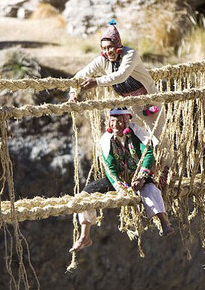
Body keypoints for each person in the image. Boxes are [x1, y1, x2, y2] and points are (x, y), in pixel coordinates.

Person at [70, 107, 174, 252]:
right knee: (86, 195)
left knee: (150, 190)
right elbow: (110, 168)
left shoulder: (137, 135)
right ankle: (84, 235)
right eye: (113, 121)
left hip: (138, 177)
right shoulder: (107, 141)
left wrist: (142, 177)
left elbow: (148, 155)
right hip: (117, 180)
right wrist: (119, 187)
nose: (116, 125)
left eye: (119, 121)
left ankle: (164, 222)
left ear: (127, 121)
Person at [68, 19, 166, 139]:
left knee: (159, 139)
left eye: (110, 47)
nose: (107, 52)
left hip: (149, 101)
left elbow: (121, 75)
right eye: (104, 48)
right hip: (130, 105)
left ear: (118, 46)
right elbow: (80, 75)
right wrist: (73, 92)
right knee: (133, 140)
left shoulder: (130, 55)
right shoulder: (102, 60)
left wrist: (97, 82)